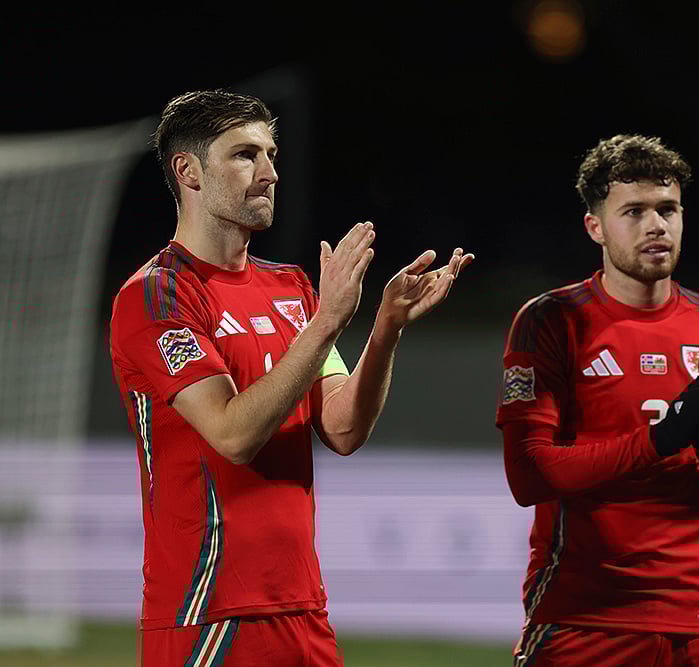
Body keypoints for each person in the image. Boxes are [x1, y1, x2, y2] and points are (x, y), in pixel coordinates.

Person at [110, 89, 473, 666]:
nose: (270, 173)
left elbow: (342, 428)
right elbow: (232, 435)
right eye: (246, 155)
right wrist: (328, 322)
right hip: (209, 617)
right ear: (189, 172)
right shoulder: (156, 296)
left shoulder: (292, 289)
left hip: (303, 609)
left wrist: (385, 328)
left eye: (272, 154)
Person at [496, 134, 699, 667]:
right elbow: (528, 475)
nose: (656, 226)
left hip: (694, 620)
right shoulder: (551, 320)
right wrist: (661, 439)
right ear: (594, 226)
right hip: (583, 617)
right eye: (634, 211)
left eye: (668, 209)